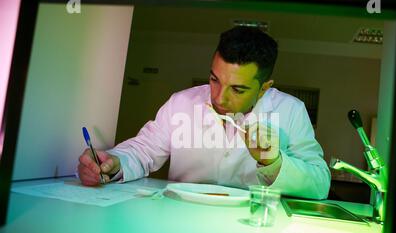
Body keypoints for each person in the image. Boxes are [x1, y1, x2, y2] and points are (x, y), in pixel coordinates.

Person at [77, 26, 331, 199]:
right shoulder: (181, 103)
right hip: (183, 219)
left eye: (238, 89)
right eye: (214, 79)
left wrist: (273, 162)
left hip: (252, 227)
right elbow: (143, 150)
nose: (219, 97)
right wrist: (112, 163)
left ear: (264, 89)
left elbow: (320, 184)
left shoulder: (291, 111)